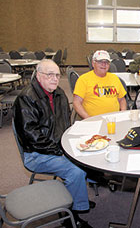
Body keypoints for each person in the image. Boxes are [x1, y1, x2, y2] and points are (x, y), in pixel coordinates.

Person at [13, 59, 94, 228]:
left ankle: (76, 198)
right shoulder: (26, 98)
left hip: (57, 147)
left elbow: (65, 125)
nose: (55, 79)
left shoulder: (59, 94)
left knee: (90, 157)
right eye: (50, 75)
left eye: (57, 75)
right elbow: (31, 136)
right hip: (37, 154)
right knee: (76, 170)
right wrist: (60, 150)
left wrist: (75, 143)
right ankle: (72, 216)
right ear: (38, 75)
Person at [73, 50, 127, 119]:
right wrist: (88, 119)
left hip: (113, 119)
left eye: (106, 62)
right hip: (93, 120)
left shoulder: (114, 78)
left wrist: (122, 114)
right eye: (100, 62)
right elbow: (76, 102)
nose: (103, 64)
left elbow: (122, 99)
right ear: (93, 63)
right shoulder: (83, 79)